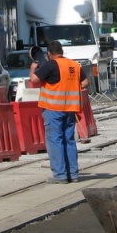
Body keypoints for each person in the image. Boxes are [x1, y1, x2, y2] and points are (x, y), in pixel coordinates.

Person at [30, 40, 88, 184]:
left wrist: (33, 67)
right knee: (69, 140)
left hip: (53, 108)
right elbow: (85, 82)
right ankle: (73, 174)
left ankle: (60, 175)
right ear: (62, 52)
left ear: (49, 54)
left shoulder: (51, 64)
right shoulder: (74, 65)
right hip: (70, 109)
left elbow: (34, 79)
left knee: (55, 140)